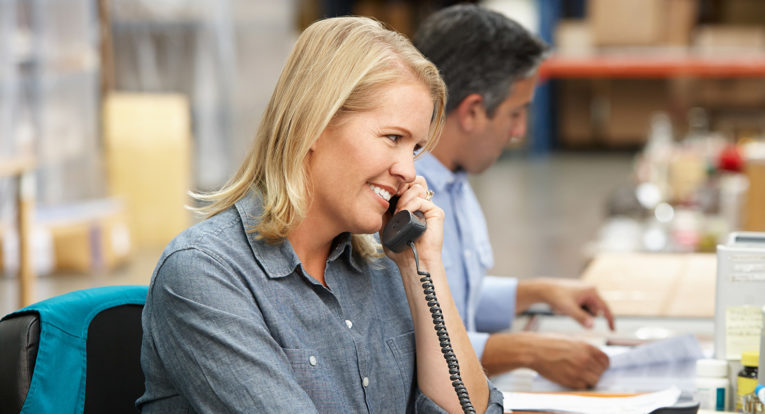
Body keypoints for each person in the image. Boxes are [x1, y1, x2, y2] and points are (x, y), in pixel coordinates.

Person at [137, 16, 502, 413]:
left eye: (413, 149)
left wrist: (423, 268)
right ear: (313, 124)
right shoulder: (205, 273)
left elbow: (471, 409)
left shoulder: (387, 265)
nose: (409, 172)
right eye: (393, 137)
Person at [413, 5, 615, 389]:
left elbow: (450, 299)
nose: (519, 131)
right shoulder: (403, 203)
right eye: (516, 113)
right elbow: (409, 342)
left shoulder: (454, 182)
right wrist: (526, 351)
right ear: (473, 111)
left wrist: (538, 293)